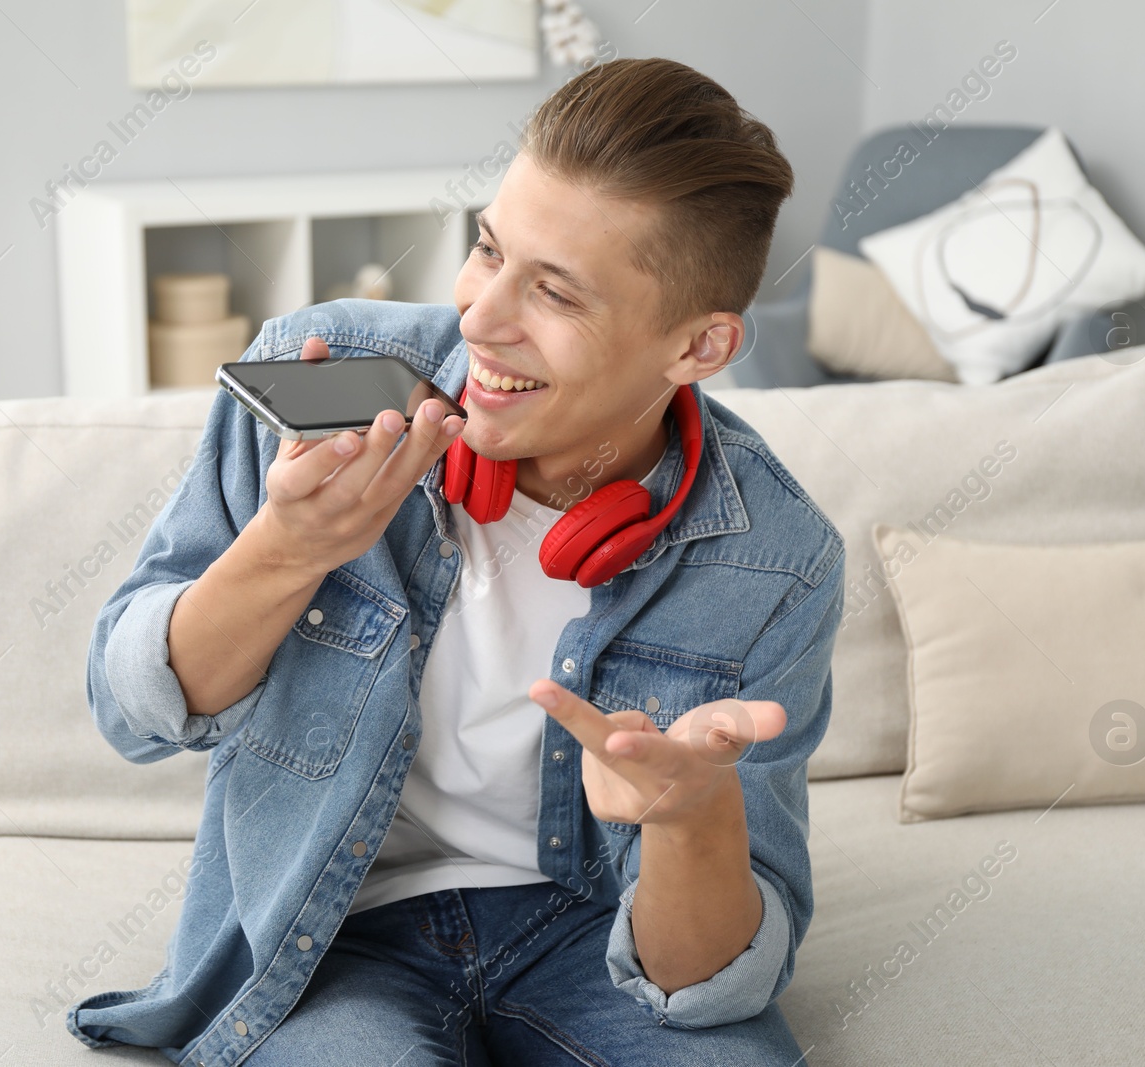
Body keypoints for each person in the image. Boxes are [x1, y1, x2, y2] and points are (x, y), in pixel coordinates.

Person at [69, 56, 843, 1066]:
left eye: (553, 292)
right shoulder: (322, 375)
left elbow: (706, 984)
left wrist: (691, 822)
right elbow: (130, 709)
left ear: (697, 347)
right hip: (331, 934)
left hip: (592, 931)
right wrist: (284, 551)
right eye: (487, 248)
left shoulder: (775, 558)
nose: (479, 315)